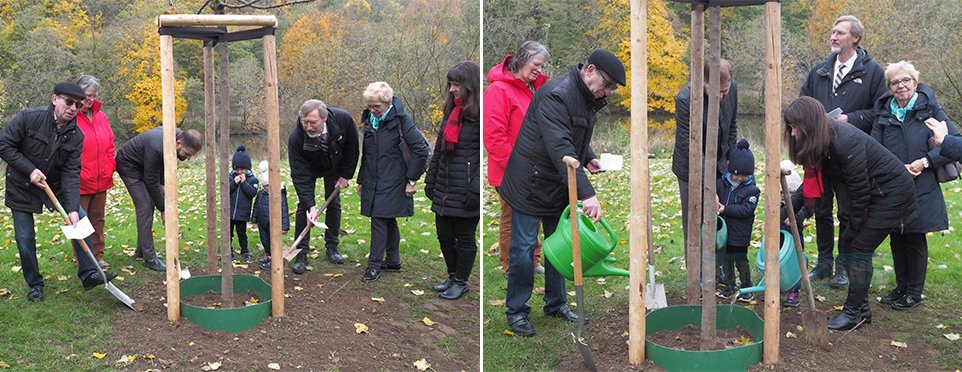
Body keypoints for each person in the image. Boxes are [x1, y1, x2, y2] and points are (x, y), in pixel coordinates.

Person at [499, 49, 626, 337]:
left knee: (560, 246)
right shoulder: (556, 94)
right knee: (522, 250)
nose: (607, 91)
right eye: (606, 84)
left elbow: (573, 135)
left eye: (611, 89)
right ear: (589, 70)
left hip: (558, 183)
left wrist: (589, 155)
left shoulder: (585, 96)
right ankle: (516, 311)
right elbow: (560, 146)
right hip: (529, 183)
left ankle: (555, 304)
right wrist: (587, 194)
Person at [783, 96, 917, 331]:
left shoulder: (845, 140)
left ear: (810, 125)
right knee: (852, 245)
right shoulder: (825, 141)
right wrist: (792, 206)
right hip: (873, 193)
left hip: (891, 192)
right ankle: (862, 309)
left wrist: (853, 227)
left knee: (859, 247)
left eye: (795, 127)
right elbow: (816, 184)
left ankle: (853, 313)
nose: (793, 134)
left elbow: (859, 190)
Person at [0, 82, 118, 301]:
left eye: (78, 104)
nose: (73, 108)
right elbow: (4, 144)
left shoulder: (76, 135)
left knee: (79, 220)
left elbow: (72, 173)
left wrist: (72, 208)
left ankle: (89, 273)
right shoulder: (29, 118)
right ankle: (35, 284)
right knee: (25, 238)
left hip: (53, 185)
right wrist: (29, 170)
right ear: (55, 99)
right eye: (69, 102)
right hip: (21, 185)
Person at [799, 15, 888, 288]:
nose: (833, 36)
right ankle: (824, 265)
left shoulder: (873, 72)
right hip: (820, 155)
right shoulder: (819, 71)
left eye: (839, 33)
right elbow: (803, 104)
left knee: (849, 213)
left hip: (851, 155)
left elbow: (879, 112)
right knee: (822, 211)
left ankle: (844, 267)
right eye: (832, 31)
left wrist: (850, 120)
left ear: (855, 38)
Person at [870, 61, 960, 310]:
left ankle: (914, 291)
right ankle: (901, 287)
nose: (901, 86)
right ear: (889, 87)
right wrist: (894, 169)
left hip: (923, 184)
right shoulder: (883, 112)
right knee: (896, 236)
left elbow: (953, 143)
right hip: (893, 184)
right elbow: (873, 148)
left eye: (906, 80)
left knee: (915, 235)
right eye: (895, 82)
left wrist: (925, 162)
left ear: (915, 82)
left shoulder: (930, 109)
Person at [483, 41, 551, 275]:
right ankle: (510, 264)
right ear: (522, 60)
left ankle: (533, 260)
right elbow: (494, 136)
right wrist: (515, 167)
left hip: (534, 168)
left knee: (534, 215)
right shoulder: (498, 91)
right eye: (536, 64)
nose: (539, 70)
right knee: (512, 218)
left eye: (542, 66)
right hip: (509, 170)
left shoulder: (533, 89)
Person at [672, 58, 738, 284]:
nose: (722, 97)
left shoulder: (731, 89)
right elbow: (690, 146)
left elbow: (732, 125)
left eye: (725, 91)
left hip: (720, 163)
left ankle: (715, 268)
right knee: (695, 219)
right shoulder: (686, 100)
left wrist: (730, 159)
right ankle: (696, 276)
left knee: (718, 215)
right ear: (704, 82)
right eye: (718, 92)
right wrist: (707, 185)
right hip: (690, 168)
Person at [357, 82, 430, 282]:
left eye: (376, 106)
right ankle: (393, 260)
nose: (372, 110)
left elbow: (421, 150)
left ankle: (374, 266)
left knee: (379, 220)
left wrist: (412, 180)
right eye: (369, 106)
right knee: (387, 219)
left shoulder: (402, 121)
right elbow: (367, 154)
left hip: (395, 180)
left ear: (388, 103)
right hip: (374, 179)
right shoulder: (370, 121)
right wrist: (361, 180)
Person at [425, 61, 481, 300]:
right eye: (450, 84)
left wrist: (476, 189)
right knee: (444, 235)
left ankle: (461, 281)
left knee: (465, 237)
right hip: (445, 186)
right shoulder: (450, 112)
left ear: (469, 85)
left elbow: (482, 156)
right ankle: (451, 275)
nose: (452, 89)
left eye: (457, 84)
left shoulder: (481, 115)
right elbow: (439, 149)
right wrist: (431, 179)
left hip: (467, 189)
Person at [287, 99, 360, 274]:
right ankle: (301, 253)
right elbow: (299, 174)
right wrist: (311, 206)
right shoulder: (296, 137)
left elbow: (352, 149)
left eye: (313, 122)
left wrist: (345, 175)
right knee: (304, 208)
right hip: (309, 167)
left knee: (333, 202)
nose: (308, 127)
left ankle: (332, 246)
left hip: (334, 163)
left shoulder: (343, 120)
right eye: (305, 122)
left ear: (325, 118)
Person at [116, 127, 203, 271]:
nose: (188, 158)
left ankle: (142, 250)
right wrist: (163, 208)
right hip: (129, 165)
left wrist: (162, 185)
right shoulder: (157, 146)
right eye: (187, 154)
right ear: (178, 143)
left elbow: (162, 164)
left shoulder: (173, 138)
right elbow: (150, 179)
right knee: (145, 207)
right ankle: (150, 258)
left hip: (144, 165)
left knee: (148, 205)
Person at [75, 75, 116, 270]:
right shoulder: (71, 116)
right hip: (80, 181)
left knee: (98, 219)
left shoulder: (101, 116)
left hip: (102, 178)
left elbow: (110, 144)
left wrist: (110, 166)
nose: (89, 100)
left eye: (93, 96)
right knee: (79, 222)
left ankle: (98, 255)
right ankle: (84, 260)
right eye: (86, 96)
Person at [715, 139, 759, 303]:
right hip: (725, 233)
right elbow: (714, 196)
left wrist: (725, 209)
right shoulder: (721, 184)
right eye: (737, 174)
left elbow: (746, 210)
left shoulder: (752, 190)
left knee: (741, 261)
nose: (739, 178)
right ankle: (729, 286)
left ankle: (747, 287)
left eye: (744, 175)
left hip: (740, 235)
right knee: (726, 261)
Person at [252, 160, 290, 270]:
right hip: (262, 223)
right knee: (264, 240)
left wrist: (284, 226)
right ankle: (268, 255)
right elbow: (256, 207)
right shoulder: (261, 193)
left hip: (273, 225)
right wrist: (254, 220)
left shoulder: (279, 195)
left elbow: (284, 211)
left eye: (269, 185)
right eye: (265, 186)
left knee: (274, 242)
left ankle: (274, 260)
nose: (267, 188)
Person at [229, 145, 258, 262]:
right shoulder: (230, 178)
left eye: (242, 169)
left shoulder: (252, 180)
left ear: (247, 169)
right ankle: (228, 250)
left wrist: (244, 183)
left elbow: (252, 193)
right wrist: (234, 183)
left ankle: (245, 250)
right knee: (228, 233)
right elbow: (226, 191)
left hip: (242, 213)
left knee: (242, 233)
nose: (240, 172)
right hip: (230, 212)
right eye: (237, 169)